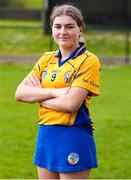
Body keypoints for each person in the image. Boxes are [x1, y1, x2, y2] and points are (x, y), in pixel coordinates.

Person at [15, 4, 101, 179]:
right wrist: (54, 93)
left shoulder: (88, 61)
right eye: (57, 26)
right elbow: (20, 93)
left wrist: (39, 96)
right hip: (46, 134)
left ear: (80, 29)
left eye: (69, 26)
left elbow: (71, 104)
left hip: (73, 134)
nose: (63, 31)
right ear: (52, 29)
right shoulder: (46, 59)